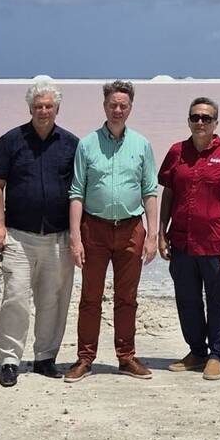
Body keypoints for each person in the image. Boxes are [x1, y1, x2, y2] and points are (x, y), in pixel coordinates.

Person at [64, 80, 158, 382]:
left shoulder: (141, 144)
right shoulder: (87, 144)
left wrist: (153, 235)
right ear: (104, 106)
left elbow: (149, 191)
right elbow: (77, 192)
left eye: (123, 105)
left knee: (127, 297)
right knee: (90, 297)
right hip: (94, 230)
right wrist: (75, 238)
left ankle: (126, 357)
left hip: (132, 229)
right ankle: (84, 358)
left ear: (130, 107)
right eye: (113, 105)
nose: (118, 110)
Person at [0, 78, 79, 388]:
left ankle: (45, 358)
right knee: (15, 298)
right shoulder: (11, 141)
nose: (43, 110)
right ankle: (10, 361)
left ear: (57, 108)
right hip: (18, 235)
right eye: (38, 106)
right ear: (30, 108)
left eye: (49, 106)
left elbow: (78, 192)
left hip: (58, 238)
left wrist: (78, 237)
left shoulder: (71, 144)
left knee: (53, 300)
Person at [157, 97, 220, 380]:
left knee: (217, 298)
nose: (200, 122)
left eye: (206, 118)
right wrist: (161, 232)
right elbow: (168, 193)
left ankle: (217, 355)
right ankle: (197, 351)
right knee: (187, 298)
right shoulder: (176, 152)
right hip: (182, 241)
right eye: (195, 117)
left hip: (215, 242)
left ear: (216, 122)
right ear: (189, 120)